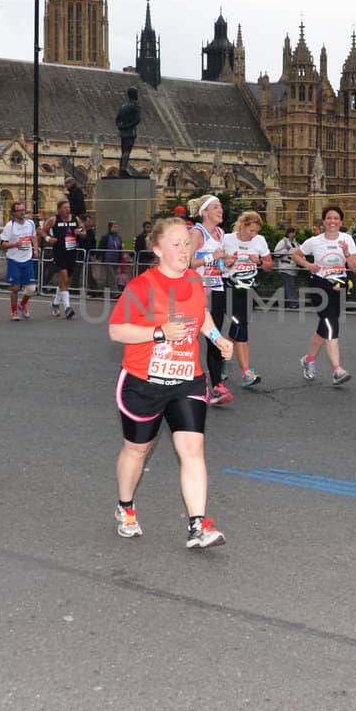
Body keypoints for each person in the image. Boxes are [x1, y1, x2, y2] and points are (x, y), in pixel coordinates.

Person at [107, 216, 233, 550]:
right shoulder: (141, 287)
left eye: (187, 243)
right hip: (143, 382)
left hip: (187, 381)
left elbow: (200, 315)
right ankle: (125, 507)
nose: (183, 249)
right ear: (158, 249)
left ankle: (198, 525)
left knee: (193, 450)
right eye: (175, 244)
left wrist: (217, 337)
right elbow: (116, 330)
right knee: (137, 449)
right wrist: (159, 332)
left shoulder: (194, 280)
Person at [293, 206, 356, 385]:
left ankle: (309, 359)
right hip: (319, 286)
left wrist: (346, 252)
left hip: (338, 286)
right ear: (323, 221)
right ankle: (337, 370)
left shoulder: (347, 239)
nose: (332, 221)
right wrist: (308, 265)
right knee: (330, 323)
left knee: (326, 325)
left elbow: (355, 266)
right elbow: (296, 255)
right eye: (329, 218)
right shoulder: (315, 241)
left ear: (341, 222)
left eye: (336, 218)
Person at [220, 210, 275, 388]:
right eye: (251, 231)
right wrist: (225, 262)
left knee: (239, 327)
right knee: (240, 327)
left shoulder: (259, 241)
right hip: (230, 289)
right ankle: (246, 372)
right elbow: (215, 262)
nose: (254, 235)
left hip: (250, 290)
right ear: (242, 226)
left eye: (256, 231)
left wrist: (258, 262)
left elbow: (269, 266)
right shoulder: (227, 239)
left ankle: (219, 357)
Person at [188, 195, 234, 404]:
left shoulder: (221, 232)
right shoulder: (197, 233)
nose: (220, 210)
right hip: (195, 291)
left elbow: (218, 263)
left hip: (217, 288)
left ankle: (216, 387)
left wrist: (226, 262)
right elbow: (188, 262)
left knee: (214, 337)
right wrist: (211, 257)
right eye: (216, 207)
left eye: (221, 207)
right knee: (186, 337)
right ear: (204, 212)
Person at [44, 198, 82, 319]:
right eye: (65, 208)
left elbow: (84, 230)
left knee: (65, 282)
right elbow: (41, 230)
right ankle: (67, 308)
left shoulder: (75, 219)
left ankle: (55, 304)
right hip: (59, 253)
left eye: (68, 207)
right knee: (64, 279)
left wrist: (79, 232)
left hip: (71, 253)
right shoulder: (54, 219)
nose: (67, 210)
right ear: (59, 209)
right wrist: (49, 239)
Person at [0, 200, 38, 320]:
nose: (22, 213)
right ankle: (14, 311)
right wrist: (15, 244)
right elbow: (3, 244)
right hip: (14, 260)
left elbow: (33, 237)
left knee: (31, 289)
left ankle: (23, 304)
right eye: (19, 211)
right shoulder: (9, 226)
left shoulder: (30, 223)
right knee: (15, 288)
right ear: (13, 213)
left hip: (27, 259)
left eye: (23, 210)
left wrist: (36, 249)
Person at [273, 226, 301, 308]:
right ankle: (293, 303)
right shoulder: (282, 242)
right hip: (285, 268)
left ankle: (282, 303)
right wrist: (286, 250)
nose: (294, 234)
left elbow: (300, 253)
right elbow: (276, 253)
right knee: (290, 285)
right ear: (288, 233)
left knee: (288, 286)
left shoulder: (296, 243)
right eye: (292, 232)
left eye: (294, 232)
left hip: (293, 268)